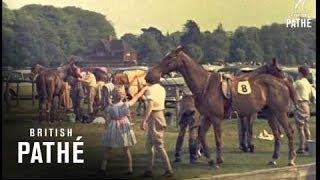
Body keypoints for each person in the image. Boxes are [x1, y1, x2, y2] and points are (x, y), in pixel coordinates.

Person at [98, 85, 148, 175]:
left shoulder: (110, 107)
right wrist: (143, 90)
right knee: (125, 148)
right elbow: (135, 98)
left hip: (113, 126)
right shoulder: (125, 105)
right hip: (123, 125)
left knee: (108, 148)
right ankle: (130, 168)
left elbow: (107, 119)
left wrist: (106, 129)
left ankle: (103, 167)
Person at [140, 71, 174, 178]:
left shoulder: (150, 89)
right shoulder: (161, 88)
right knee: (149, 145)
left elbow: (150, 105)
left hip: (154, 116)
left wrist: (143, 120)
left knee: (159, 146)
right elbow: (155, 101)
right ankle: (148, 170)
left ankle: (169, 170)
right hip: (159, 115)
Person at [174, 91, 202, 164]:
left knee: (182, 131)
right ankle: (193, 158)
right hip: (193, 101)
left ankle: (178, 156)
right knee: (193, 131)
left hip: (184, 102)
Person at [294, 66, 315, 154]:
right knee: (306, 126)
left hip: (300, 104)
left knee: (300, 127)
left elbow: (291, 88)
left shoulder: (298, 82)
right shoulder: (308, 83)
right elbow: (312, 96)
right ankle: (308, 145)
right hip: (307, 105)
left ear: (301, 73)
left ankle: (301, 147)